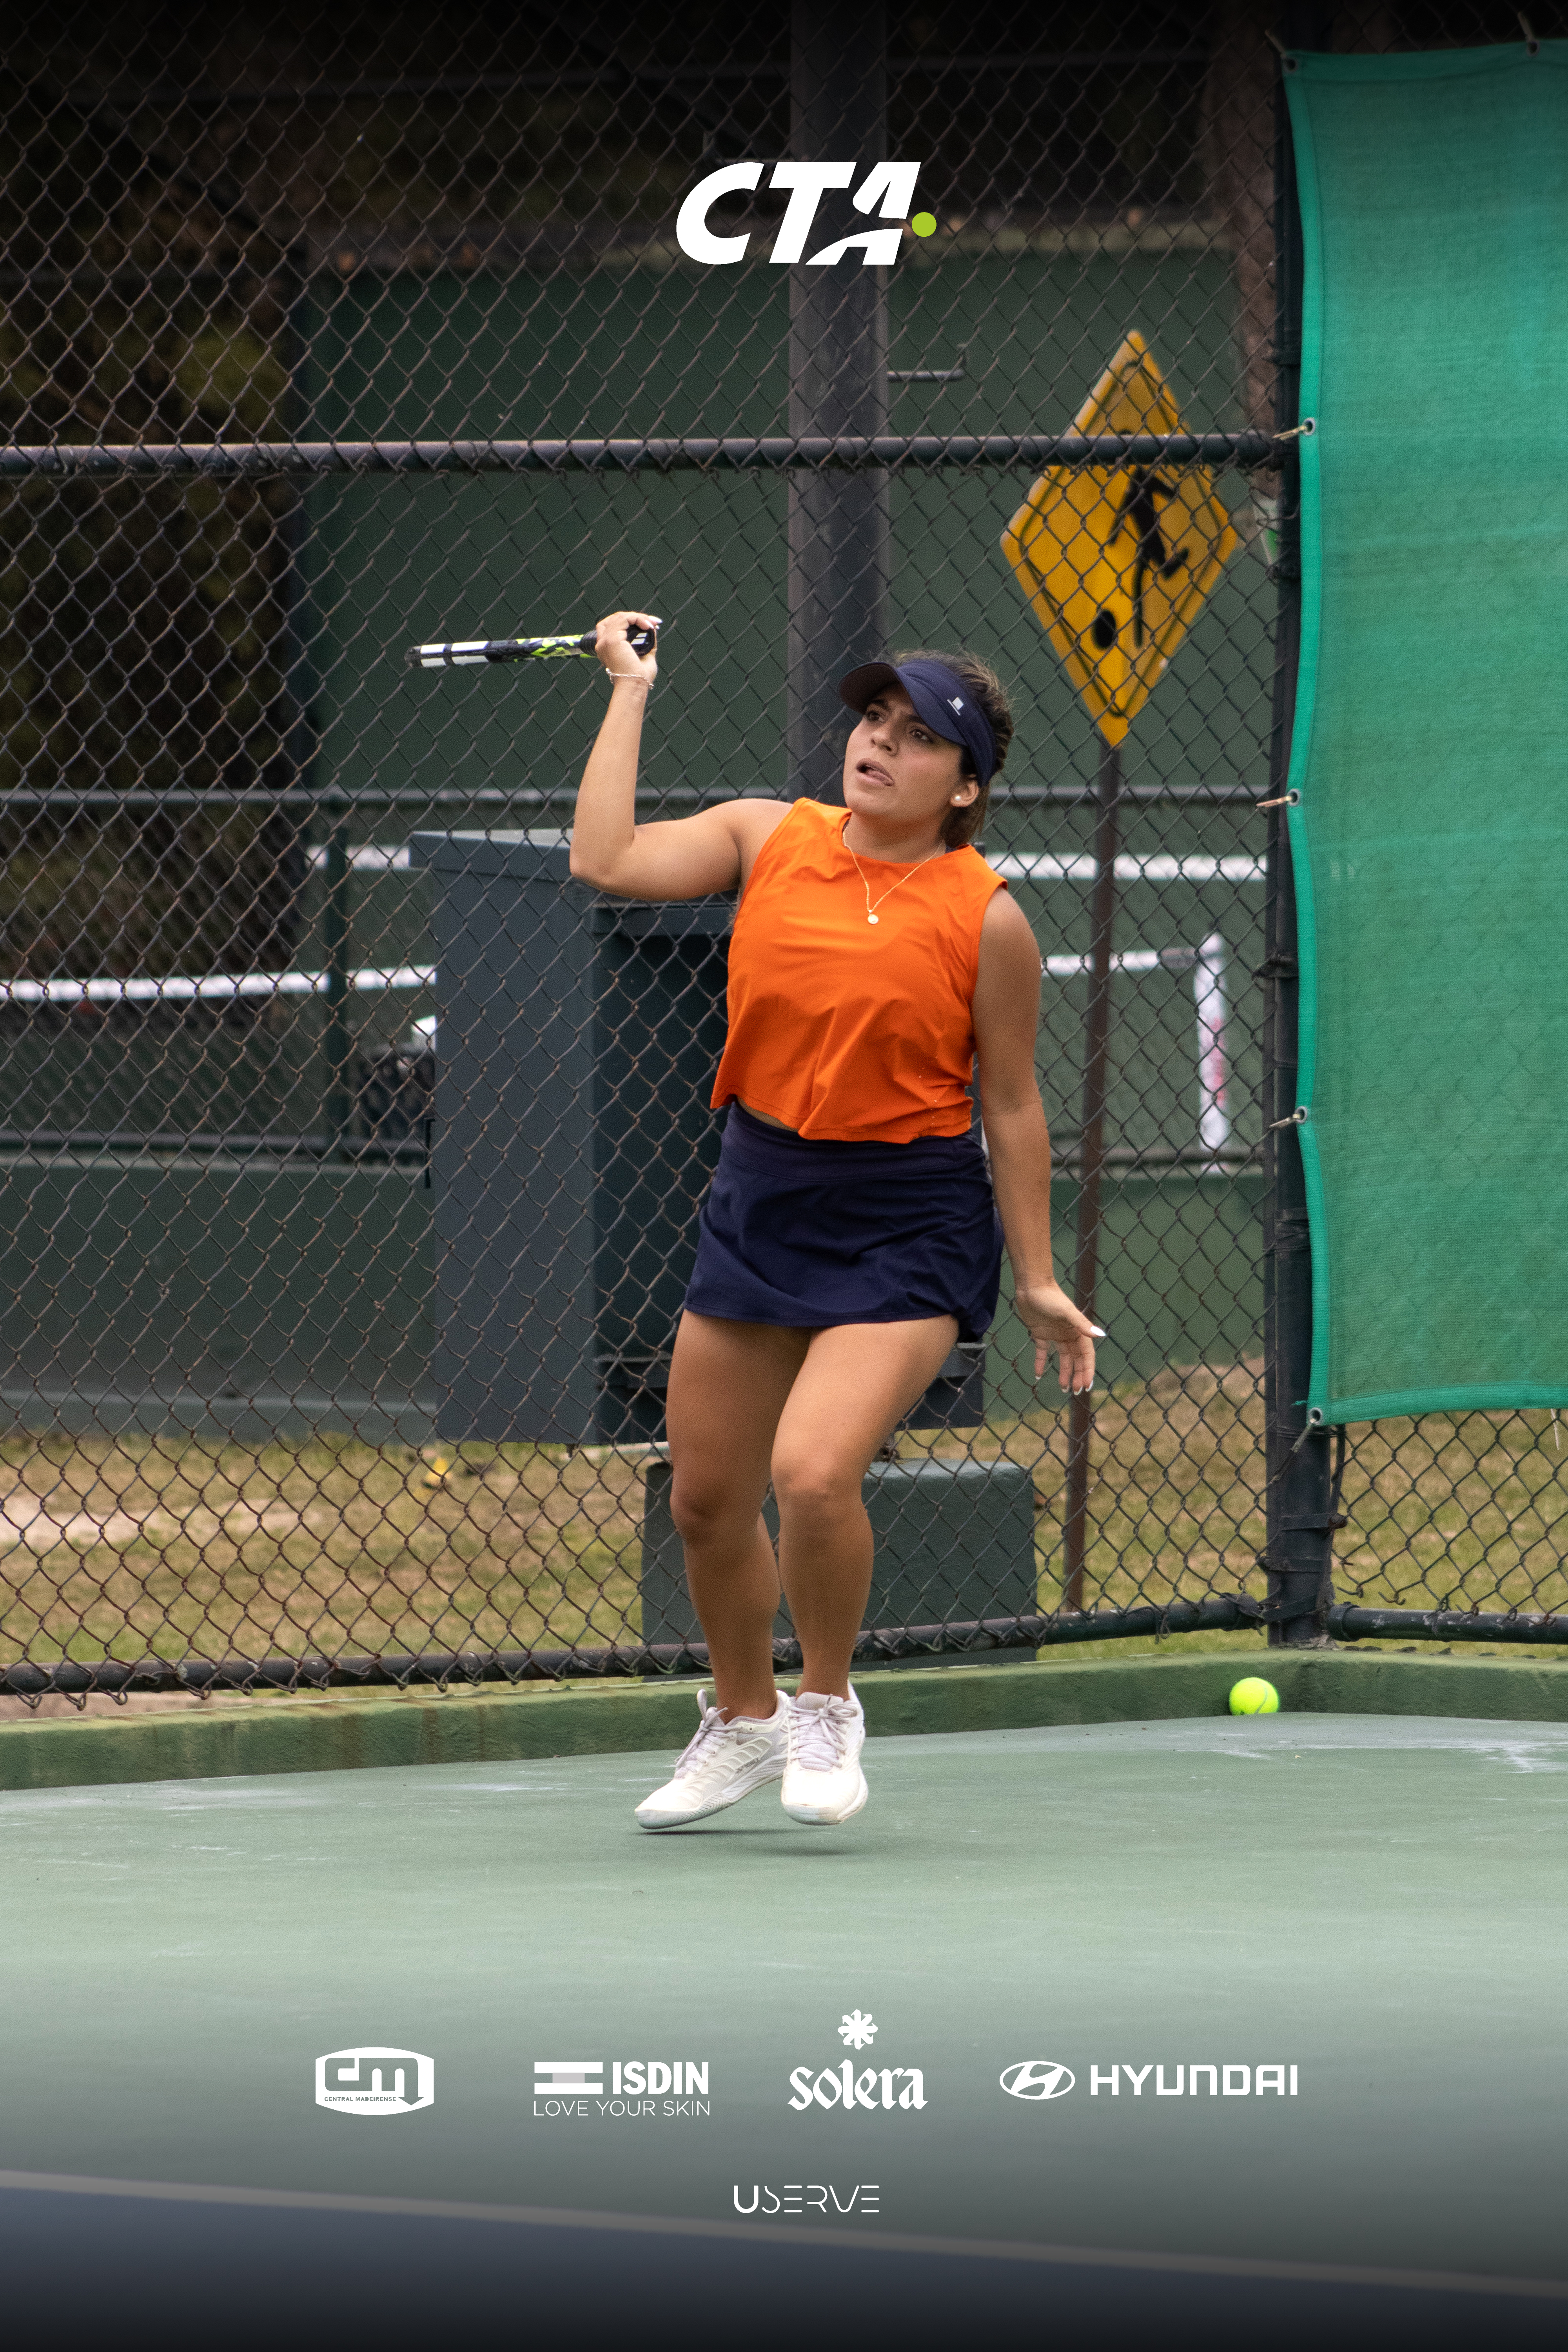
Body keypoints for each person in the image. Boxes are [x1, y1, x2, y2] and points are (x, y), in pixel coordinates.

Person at [568, 612, 1097, 1833]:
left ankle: (826, 1707)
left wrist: (1037, 1277)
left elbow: (1011, 1106)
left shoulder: (988, 917)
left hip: (907, 1221)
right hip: (761, 1198)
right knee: (704, 1500)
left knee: (812, 1474)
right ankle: (744, 1723)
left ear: (964, 787)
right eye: (873, 723)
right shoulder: (772, 836)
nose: (878, 748)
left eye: (917, 740)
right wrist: (629, 692)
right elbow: (606, 859)